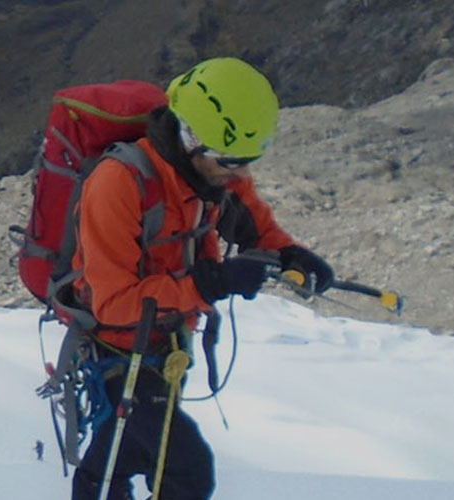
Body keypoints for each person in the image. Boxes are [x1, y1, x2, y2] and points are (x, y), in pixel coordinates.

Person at [66, 57, 335, 500]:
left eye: (247, 161)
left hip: (167, 345)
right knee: (187, 472)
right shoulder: (118, 182)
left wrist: (290, 253)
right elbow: (112, 302)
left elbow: (253, 222)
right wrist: (210, 284)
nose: (242, 174)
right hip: (117, 351)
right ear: (192, 139)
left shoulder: (211, 172)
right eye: (232, 162)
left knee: (120, 457)